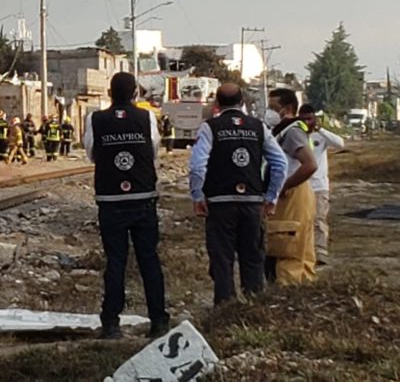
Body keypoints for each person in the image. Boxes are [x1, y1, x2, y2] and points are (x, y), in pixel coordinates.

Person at [83, 72, 169, 339]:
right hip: (142, 198)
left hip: (110, 200)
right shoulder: (147, 118)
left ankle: (110, 323)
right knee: (149, 260)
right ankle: (158, 321)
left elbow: (91, 154)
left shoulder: (95, 119)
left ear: (109, 94)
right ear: (135, 95)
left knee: (116, 261)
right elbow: (153, 152)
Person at [188, 84, 288, 305]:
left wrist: (198, 196)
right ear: (243, 102)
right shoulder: (259, 127)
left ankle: (224, 310)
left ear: (216, 103)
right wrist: (271, 197)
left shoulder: (209, 128)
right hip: (253, 204)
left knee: (222, 261)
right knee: (252, 259)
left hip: (220, 204)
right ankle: (254, 311)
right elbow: (280, 164)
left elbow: (197, 167)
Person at [265, 88, 318, 285]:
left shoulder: (292, 132)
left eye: (273, 108)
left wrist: (284, 186)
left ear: (287, 108)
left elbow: (310, 164)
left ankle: (288, 291)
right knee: (298, 249)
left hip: (292, 195)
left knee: (287, 246)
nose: (269, 112)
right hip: (294, 193)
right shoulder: (282, 131)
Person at [298, 104, 345, 265]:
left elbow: (340, 144)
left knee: (319, 219)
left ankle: (320, 251)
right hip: (301, 185)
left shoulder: (321, 136)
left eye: (309, 118)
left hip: (319, 185)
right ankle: (305, 250)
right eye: (303, 119)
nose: (307, 122)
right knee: (303, 220)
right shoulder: (296, 135)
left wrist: (320, 130)